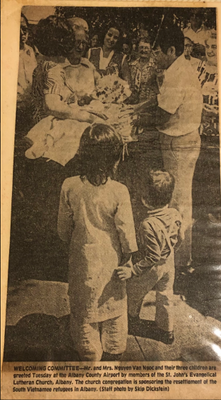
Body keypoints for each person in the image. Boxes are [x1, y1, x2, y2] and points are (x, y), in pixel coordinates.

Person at [57, 123, 138, 361]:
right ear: (115, 159)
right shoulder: (119, 190)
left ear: (82, 154)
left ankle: (89, 350)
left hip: (82, 255)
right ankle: (114, 347)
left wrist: (72, 242)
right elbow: (126, 230)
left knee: (83, 306)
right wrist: (130, 257)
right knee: (114, 303)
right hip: (111, 257)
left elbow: (63, 228)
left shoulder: (69, 185)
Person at [132, 25, 202, 270]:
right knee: (175, 199)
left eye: (158, 52)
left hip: (180, 143)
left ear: (171, 50)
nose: (155, 57)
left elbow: (162, 115)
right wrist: (136, 108)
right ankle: (173, 256)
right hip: (177, 139)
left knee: (179, 202)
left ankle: (180, 262)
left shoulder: (177, 73)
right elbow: (159, 99)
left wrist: (136, 120)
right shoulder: (177, 67)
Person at [26, 16, 102, 166]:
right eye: (73, 42)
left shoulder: (42, 64)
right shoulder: (55, 69)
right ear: (64, 43)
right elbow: (52, 105)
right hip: (47, 127)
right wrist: (85, 116)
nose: (78, 47)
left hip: (36, 124)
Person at [121, 170, 182, 344]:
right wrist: (171, 253)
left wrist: (134, 270)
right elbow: (180, 239)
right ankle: (166, 331)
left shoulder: (147, 224)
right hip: (169, 263)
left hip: (152, 266)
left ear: (145, 200)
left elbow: (153, 256)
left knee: (134, 292)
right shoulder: (175, 214)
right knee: (165, 295)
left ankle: (131, 320)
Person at [17, 13, 37, 134]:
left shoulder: (30, 50)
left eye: (24, 29)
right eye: (18, 29)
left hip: (29, 106)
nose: (22, 33)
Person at [197, 30, 218, 139]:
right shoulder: (199, 69)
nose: (209, 51)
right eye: (207, 47)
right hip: (196, 133)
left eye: (214, 47)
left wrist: (216, 112)